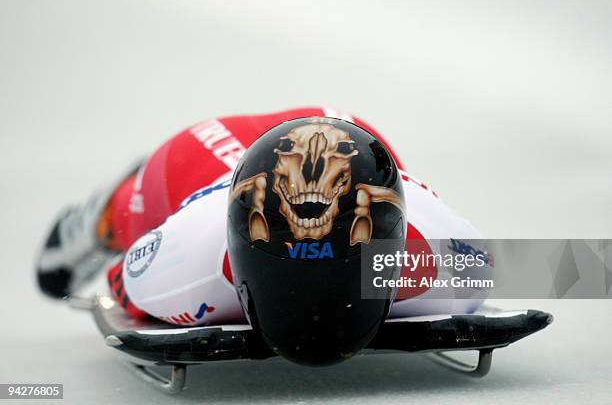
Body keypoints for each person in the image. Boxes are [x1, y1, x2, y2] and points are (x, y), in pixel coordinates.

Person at [36, 107, 484, 329]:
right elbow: (127, 278)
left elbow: (544, 269)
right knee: (135, 213)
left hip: (348, 139)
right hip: (197, 158)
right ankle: (98, 216)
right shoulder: (185, 260)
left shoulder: (455, 264)